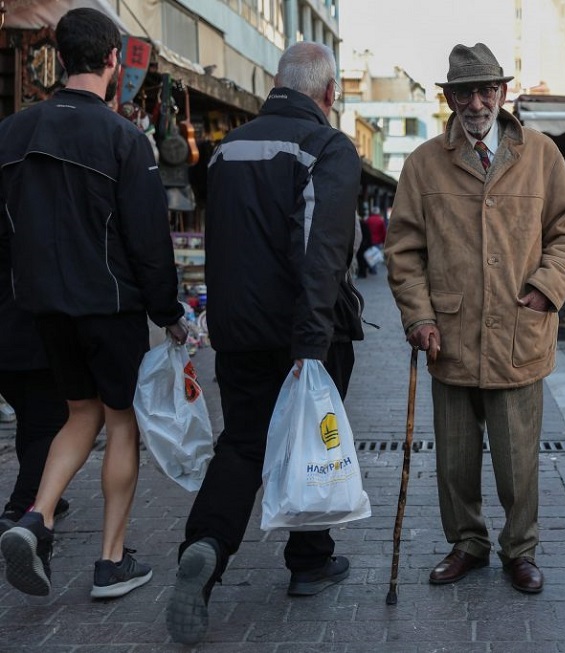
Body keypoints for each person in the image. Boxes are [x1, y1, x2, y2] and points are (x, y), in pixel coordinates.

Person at [165, 41, 360, 645]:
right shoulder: (326, 146)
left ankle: (205, 546)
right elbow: (320, 250)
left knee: (244, 445)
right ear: (328, 94)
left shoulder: (226, 151)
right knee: (314, 439)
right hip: (303, 331)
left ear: (278, 84)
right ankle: (309, 561)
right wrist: (311, 344)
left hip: (239, 330)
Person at [0, 7, 187, 601]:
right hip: (109, 307)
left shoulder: (12, 132)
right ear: (113, 60)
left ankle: (37, 517)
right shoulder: (124, 138)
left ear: (58, 55)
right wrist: (169, 312)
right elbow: (149, 242)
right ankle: (111, 562)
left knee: (78, 413)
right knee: (119, 420)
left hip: (41, 306)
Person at [384, 42, 565, 594]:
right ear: (449, 98)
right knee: (455, 460)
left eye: (486, 89)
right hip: (449, 336)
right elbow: (404, 251)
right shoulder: (424, 162)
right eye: (464, 92)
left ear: (503, 92)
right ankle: (467, 543)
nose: (476, 102)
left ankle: (520, 549)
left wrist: (547, 288)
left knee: (519, 462)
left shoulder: (541, 154)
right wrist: (418, 316)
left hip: (520, 331)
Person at [0, 245, 70, 533]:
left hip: (10, 333)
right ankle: (22, 507)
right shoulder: (26, 205)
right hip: (31, 328)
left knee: (30, 420)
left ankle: (46, 493)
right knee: (51, 424)